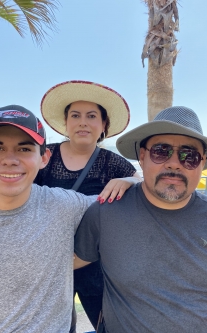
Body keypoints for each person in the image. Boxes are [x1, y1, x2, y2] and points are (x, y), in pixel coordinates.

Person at [0, 104, 130, 333]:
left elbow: (137, 200)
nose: (10, 159)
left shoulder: (61, 204)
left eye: (24, 149)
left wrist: (132, 183)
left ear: (44, 157)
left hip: (86, 270)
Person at [74, 106, 207, 333]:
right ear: (142, 156)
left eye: (189, 156)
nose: (174, 163)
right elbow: (59, 266)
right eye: (161, 151)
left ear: (202, 162)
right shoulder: (106, 213)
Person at [34, 80, 142, 331]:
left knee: (106, 325)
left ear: (104, 125)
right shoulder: (44, 155)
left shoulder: (112, 162)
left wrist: (127, 180)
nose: (83, 122)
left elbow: (142, 188)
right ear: (66, 122)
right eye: (76, 115)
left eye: (91, 116)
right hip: (48, 266)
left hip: (95, 267)